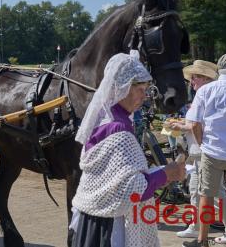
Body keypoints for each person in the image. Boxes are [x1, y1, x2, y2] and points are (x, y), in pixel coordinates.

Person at [70, 50, 186, 247]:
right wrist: (167, 174)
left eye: (147, 90)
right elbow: (131, 191)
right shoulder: (119, 128)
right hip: (109, 226)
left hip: (91, 218)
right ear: (121, 87)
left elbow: (115, 180)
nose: (144, 97)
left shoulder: (104, 117)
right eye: (140, 89)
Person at [182, 54, 226, 247]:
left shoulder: (206, 91)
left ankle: (202, 240)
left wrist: (203, 144)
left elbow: (195, 123)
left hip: (212, 152)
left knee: (206, 194)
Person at [167, 60, 226, 244]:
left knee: (217, 192)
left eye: (194, 77)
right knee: (195, 190)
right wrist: (183, 124)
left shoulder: (208, 94)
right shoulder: (205, 94)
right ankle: (196, 226)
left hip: (205, 151)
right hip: (199, 151)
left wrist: (181, 125)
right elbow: (198, 122)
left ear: (205, 77)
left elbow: (200, 124)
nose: (191, 81)